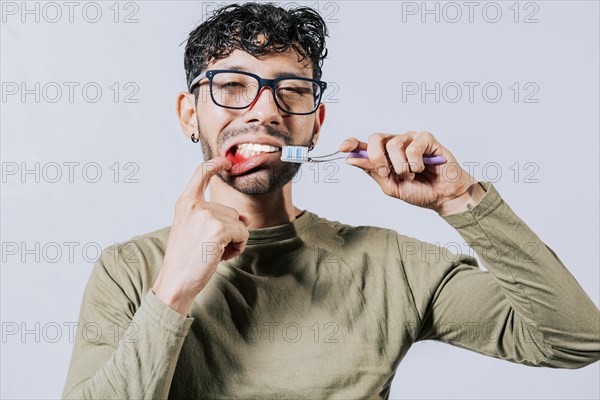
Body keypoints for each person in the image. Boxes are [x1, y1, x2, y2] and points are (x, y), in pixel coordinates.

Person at [62, 3, 600, 399]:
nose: (264, 111)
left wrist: (462, 199)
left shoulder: (392, 266)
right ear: (188, 114)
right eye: (231, 87)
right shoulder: (129, 270)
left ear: (314, 123)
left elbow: (576, 341)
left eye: (290, 90)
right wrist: (173, 289)